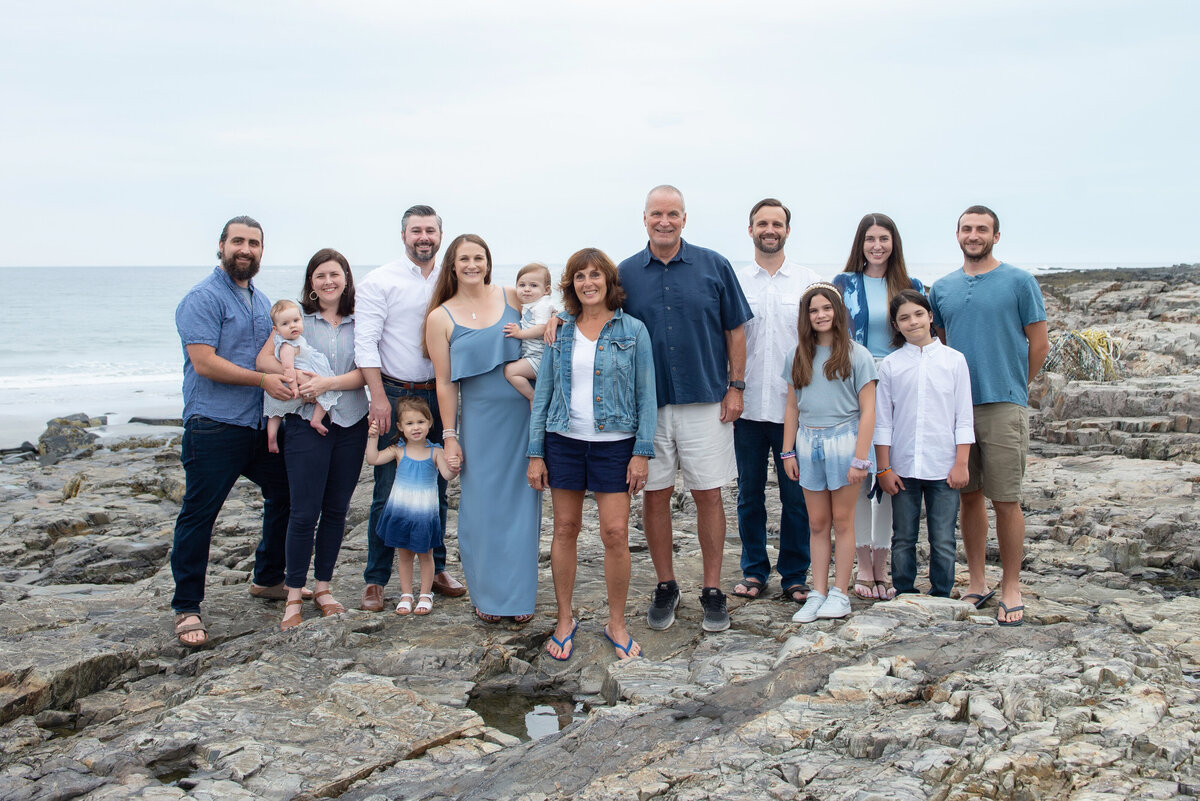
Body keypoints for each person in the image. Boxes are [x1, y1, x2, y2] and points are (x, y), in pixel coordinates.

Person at [618, 185, 752, 634]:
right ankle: (666, 583)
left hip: (706, 401)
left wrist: (736, 387)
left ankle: (712, 589)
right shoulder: (625, 273)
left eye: (672, 213)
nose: (664, 221)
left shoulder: (714, 265)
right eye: (657, 213)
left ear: (684, 218)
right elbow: (596, 317)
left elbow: (736, 330)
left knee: (709, 494)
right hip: (648, 406)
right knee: (654, 496)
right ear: (644, 218)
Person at [171, 215, 300, 648]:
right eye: (238, 242)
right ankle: (187, 606)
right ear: (222, 245)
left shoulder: (262, 301)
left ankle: (267, 578)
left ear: (262, 251)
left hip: (257, 426)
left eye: (255, 243)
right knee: (199, 514)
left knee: (287, 492)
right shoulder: (202, 298)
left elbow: (276, 355)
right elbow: (205, 362)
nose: (246, 249)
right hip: (213, 425)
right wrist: (262, 380)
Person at [527, 248, 657, 661]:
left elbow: (646, 395)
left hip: (615, 445)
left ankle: (616, 623)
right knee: (564, 529)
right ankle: (564, 619)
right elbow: (543, 392)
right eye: (580, 276)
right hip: (563, 440)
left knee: (616, 534)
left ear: (608, 282)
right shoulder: (559, 329)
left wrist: (642, 451)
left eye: (595, 275)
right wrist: (536, 452)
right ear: (571, 284)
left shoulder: (633, 330)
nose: (588, 282)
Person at [930, 205, 1049, 626]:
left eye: (982, 229)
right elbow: (940, 344)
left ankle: (1012, 585)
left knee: (1007, 498)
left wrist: (1016, 386)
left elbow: (1039, 343)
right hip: (956, 408)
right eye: (967, 228)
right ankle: (977, 580)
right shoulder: (941, 289)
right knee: (969, 494)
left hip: (1003, 404)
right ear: (957, 234)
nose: (974, 234)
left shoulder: (1019, 281)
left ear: (996, 236)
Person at [355, 205, 465, 613]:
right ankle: (376, 579)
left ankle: (435, 569)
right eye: (416, 230)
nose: (424, 237)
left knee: (437, 488)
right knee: (387, 490)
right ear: (403, 235)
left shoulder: (451, 281)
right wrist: (378, 398)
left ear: (440, 235)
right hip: (395, 393)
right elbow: (365, 344)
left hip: (440, 392)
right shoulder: (379, 281)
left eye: (431, 231)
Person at [425, 234, 541, 623]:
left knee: (524, 506)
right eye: (464, 259)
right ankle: (489, 596)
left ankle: (520, 596)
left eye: (479, 257)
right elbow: (444, 382)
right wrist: (450, 435)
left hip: (525, 418)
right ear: (452, 265)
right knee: (481, 509)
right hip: (479, 422)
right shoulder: (440, 317)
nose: (472, 264)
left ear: (488, 262)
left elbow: (552, 317)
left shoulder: (513, 296)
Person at [257, 249, 368, 631]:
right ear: (311, 283)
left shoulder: (361, 322)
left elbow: (368, 373)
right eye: (319, 276)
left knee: (337, 510)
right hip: (306, 424)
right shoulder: (297, 321)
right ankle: (293, 594)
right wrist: (298, 379)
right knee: (304, 512)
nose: (327, 282)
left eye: (334, 274)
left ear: (346, 278)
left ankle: (324, 588)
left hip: (352, 422)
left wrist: (328, 383)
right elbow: (263, 361)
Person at [732, 199, 822, 606]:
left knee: (796, 496)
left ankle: (794, 574)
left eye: (778, 223)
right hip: (745, 408)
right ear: (750, 229)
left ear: (787, 230)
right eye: (762, 223)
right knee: (748, 493)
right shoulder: (733, 281)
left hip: (795, 411)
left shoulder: (809, 283)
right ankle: (753, 569)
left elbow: (822, 342)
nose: (770, 229)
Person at [832, 213, 924, 602]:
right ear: (860, 243)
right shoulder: (843, 284)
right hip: (856, 380)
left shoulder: (911, 285)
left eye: (883, 238)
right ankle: (863, 564)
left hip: (901, 381)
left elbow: (923, 335)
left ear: (893, 243)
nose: (877, 246)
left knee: (891, 472)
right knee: (862, 471)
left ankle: (883, 565)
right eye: (870, 238)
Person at [783, 284, 877, 624]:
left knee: (843, 520)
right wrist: (787, 451)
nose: (820, 315)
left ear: (838, 312)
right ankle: (818, 591)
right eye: (813, 310)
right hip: (808, 444)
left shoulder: (858, 355)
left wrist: (860, 458)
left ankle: (841, 592)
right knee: (818, 523)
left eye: (827, 308)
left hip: (845, 443)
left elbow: (868, 411)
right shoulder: (797, 356)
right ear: (806, 317)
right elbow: (792, 406)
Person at [874, 290, 973, 597]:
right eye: (904, 317)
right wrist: (884, 468)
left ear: (931, 317)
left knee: (943, 538)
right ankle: (904, 591)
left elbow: (963, 417)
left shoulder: (954, 361)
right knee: (903, 536)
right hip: (902, 468)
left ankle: (942, 593)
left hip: (944, 468)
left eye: (918, 314)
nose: (912, 321)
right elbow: (883, 422)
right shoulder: (890, 365)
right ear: (896, 325)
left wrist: (961, 463)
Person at [365, 397, 454, 616]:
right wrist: (373, 437)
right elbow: (373, 459)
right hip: (402, 511)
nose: (416, 428)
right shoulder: (398, 450)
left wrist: (455, 465)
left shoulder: (436, 452)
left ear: (430, 423)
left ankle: (425, 594)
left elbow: (447, 475)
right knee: (404, 555)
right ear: (400, 427)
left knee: (425, 554)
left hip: (424, 513)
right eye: (410, 423)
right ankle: (406, 594)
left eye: (421, 422)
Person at [262, 299, 341, 453]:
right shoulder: (287, 346)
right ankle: (316, 420)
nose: (292, 326)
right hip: (292, 384)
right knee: (324, 395)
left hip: (292, 384)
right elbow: (288, 369)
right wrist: (295, 389)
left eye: (296, 321)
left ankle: (271, 437)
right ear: (276, 330)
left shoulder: (296, 341)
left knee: (275, 413)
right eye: (285, 324)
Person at [504, 262, 557, 401]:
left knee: (510, 371)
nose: (527, 289)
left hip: (540, 358)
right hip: (535, 357)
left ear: (546, 290)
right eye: (522, 285)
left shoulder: (542, 305)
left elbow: (541, 328)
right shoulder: (533, 304)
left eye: (533, 285)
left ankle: (532, 396)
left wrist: (519, 333)